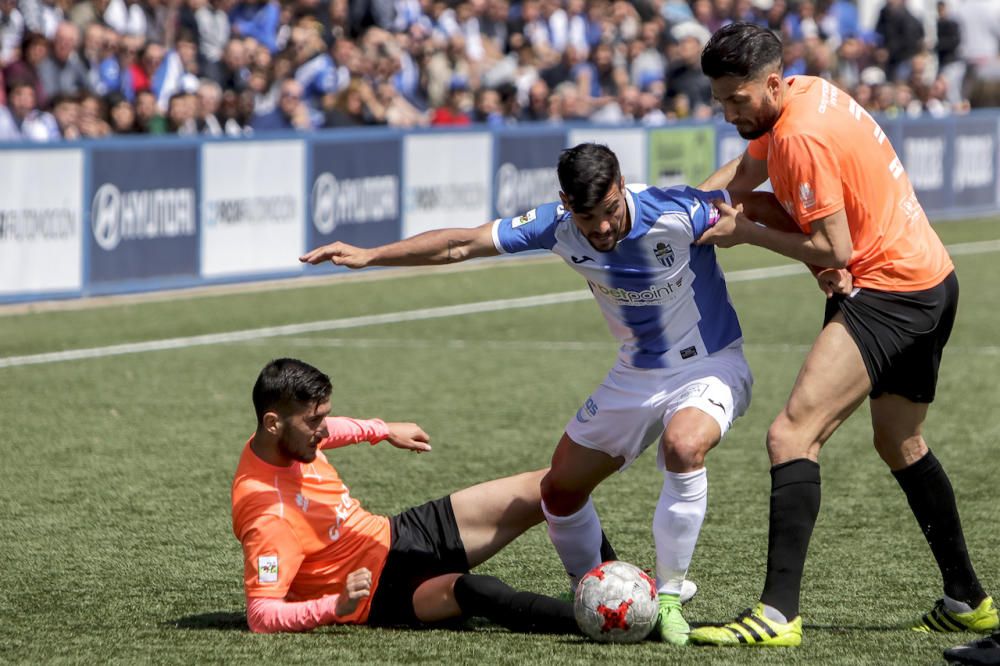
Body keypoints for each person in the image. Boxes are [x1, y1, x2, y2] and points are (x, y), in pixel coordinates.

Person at [301, 142, 758, 645]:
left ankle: (669, 597)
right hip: (635, 373)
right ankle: (591, 588)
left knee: (683, 445)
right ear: (566, 203)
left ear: (622, 187)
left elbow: (751, 201)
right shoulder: (555, 225)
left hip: (709, 364)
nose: (602, 228)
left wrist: (824, 260)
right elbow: (461, 244)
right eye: (588, 218)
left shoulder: (676, 211)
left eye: (609, 211)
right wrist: (372, 255)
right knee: (558, 491)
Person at [687, 22, 997, 647]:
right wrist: (686, 203)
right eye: (718, 99)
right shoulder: (800, 94)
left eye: (736, 100)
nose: (726, 112)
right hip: (931, 278)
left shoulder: (800, 134)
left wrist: (745, 234)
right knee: (900, 441)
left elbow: (835, 248)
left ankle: (777, 614)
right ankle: (968, 599)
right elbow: (745, 179)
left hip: (889, 292)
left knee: (790, 434)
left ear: (771, 83)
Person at [233, 357, 586, 634]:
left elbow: (330, 430)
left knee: (554, 485)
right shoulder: (268, 515)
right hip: (381, 593)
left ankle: (606, 580)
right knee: (483, 592)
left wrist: (382, 430)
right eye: (314, 422)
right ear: (273, 423)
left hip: (398, 533)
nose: (323, 430)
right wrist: (334, 606)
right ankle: (604, 619)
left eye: (323, 416)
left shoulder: (283, 440)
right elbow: (262, 615)